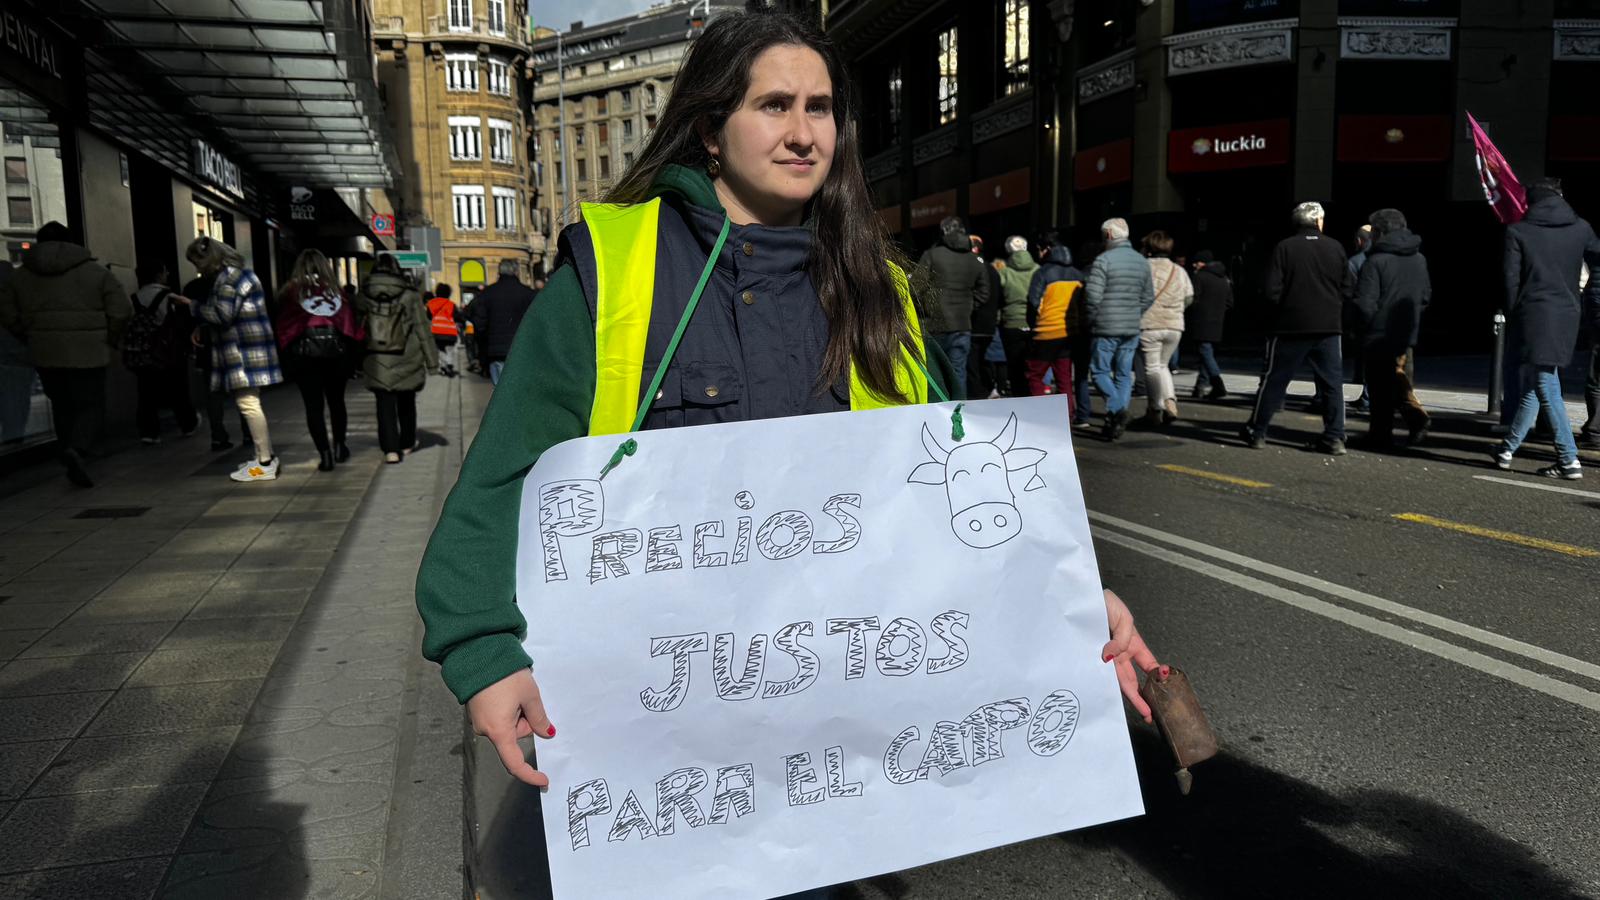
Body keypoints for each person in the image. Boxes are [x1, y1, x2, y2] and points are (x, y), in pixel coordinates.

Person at [413, 10, 1163, 862]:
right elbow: (505, 479)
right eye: (774, 106)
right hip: (659, 749)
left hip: (824, 753)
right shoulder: (609, 276)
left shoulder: (879, 286)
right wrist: (483, 649)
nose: (806, 134)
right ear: (708, 127)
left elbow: (952, 479)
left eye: (821, 108)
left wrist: (1064, 597)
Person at [0, 222, 129, 487]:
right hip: (90, 350)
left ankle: (67, 449)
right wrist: (111, 338)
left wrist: (25, 334)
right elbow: (121, 309)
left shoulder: (20, 276)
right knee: (90, 403)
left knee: (61, 404)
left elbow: (6, 310)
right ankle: (78, 449)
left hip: (45, 351)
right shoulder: (95, 272)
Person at [1495, 178, 1600, 479]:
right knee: (1538, 380)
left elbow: (1510, 280)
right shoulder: (1581, 227)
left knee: (1544, 383)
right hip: (1567, 313)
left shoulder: (1518, 231)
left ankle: (1568, 459)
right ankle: (1507, 448)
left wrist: (1516, 314)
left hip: (1533, 313)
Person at [1241, 201, 1352, 455]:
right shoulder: (1335, 247)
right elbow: (1348, 288)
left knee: (1274, 380)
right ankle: (1334, 436)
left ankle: (1257, 431)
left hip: (1291, 325)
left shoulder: (1285, 247)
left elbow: (1272, 290)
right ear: (1320, 221)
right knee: (1332, 384)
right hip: (1328, 326)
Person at [187, 235, 282, 482]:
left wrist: (191, 306)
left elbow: (223, 315)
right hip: (250, 347)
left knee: (248, 403)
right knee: (250, 402)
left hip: (243, 350)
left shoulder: (229, 279)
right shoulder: (240, 275)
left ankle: (265, 462)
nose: (196, 268)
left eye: (197, 262)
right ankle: (264, 455)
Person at [276, 249, 363, 471]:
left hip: (305, 357)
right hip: (335, 355)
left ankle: (325, 455)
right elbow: (349, 326)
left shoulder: (291, 292)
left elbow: (284, 326)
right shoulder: (337, 293)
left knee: (313, 406)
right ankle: (340, 446)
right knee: (337, 402)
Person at [1352, 209, 1431, 450]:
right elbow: (1425, 296)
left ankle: (1383, 434)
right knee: (1399, 382)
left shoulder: (1374, 261)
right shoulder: (1419, 258)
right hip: (1406, 333)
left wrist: (1362, 326)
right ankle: (1412, 422)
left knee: (1380, 388)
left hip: (1378, 334)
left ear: (1379, 232)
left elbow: (1365, 303)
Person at [359, 254, 437, 464]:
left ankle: (390, 450)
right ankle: (407, 442)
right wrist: (432, 362)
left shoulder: (364, 294)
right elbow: (422, 329)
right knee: (406, 402)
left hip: (376, 359)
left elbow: (358, 327)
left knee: (384, 405)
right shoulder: (410, 295)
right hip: (407, 357)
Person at [1084, 218, 1154, 440]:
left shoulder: (1103, 260)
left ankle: (1116, 411)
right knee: (1124, 374)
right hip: (1131, 327)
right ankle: (1115, 420)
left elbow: (1093, 297)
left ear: (1110, 236)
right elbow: (1148, 297)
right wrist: (1134, 313)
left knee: (1100, 371)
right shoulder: (1141, 261)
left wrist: (1093, 319)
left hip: (1105, 326)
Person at [124, 261, 198, 445]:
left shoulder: (133, 297)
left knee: (146, 393)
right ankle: (188, 423)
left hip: (143, 353)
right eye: (165, 271)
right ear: (159, 274)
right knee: (178, 389)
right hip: (169, 350)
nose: (167, 274)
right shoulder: (169, 296)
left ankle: (149, 432)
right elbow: (187, 315)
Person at [917, 216, 988, 398]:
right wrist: (969, 306)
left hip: (935, 323)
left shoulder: (932, 255)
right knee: (958, 372)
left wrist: (926, 306)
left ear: (942, 232)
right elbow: (984, 291)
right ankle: (960, 413)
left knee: (935, 373)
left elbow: (917, 285)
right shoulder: (975, 259)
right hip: (962, 323)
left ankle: (937, 414)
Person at [1024, 232, 1084, 418]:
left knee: (1034, 375)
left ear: (1047, 250)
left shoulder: (1042, 273)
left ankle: (1042, 416)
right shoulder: (1077, 274)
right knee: (1064, 376)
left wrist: (1033, 326)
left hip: (1046, 331)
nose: (1039, 253)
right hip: (1070, 332)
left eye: (1040, 250)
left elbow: (1033, 303)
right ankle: (1068, 415)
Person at [1138, 230, 1193, 426]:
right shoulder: (1179, 271)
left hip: (1149, 324)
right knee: (1163, 365)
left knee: (1152, 368)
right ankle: (1170, 400)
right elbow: (1188, 297)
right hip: (1175, 325)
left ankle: (1155, 408)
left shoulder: (1143, 268)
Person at [468, 260, 536, 385]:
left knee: (499, 390)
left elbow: (477, 319)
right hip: (522, 350)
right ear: (516, 272)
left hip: (495, 350)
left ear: (499, 272)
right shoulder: (528, 294)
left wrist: (484, 338)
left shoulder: (487, 293)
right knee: (520, 389)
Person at [1186, 250, 1232, 400]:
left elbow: (1193, 299)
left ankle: (1218, 384)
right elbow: (1230, 302)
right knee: (1207, 353)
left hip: (1201, 321)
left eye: (1197, 262)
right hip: (1218, 322)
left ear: (1203, 263)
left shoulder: (1199, 277)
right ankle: (1199, 387)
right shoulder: (1224, 278)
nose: (1194, 264)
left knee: (1205, 353)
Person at [992, 235, 1034, 398]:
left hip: (1011, 322)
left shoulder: (1005, 272)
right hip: (1032, 322)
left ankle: (1019, 398)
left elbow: (998, 297)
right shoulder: (1037, 269)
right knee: (1032, 366)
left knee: (1015, 366)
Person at [1343, 224, 1375, 415]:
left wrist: (1349, 323)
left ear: (1359, 240)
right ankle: (1367, 396)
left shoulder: (1354, 262)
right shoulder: (1387, 258)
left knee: (1365, 360)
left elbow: (1349, 294)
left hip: (1363, 317)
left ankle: (1367, 397)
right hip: (1384, 317)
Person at [968, 234, 1002, 398]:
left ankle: (978, 393)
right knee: (985, 358)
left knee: (973, 361)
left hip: (974, 322)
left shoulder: (972, 267)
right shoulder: (992, 269)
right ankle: (990, 387)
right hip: (989, 324)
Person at [427, 283, 460, 377]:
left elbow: (428, 316)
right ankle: (449, 364)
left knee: (440, 349)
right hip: (450, 332)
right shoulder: (451, 304)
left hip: (437, 331)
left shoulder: (431, 303)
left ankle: (444, 365)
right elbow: (457, 317)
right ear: (448, 293)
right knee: (449, 349)